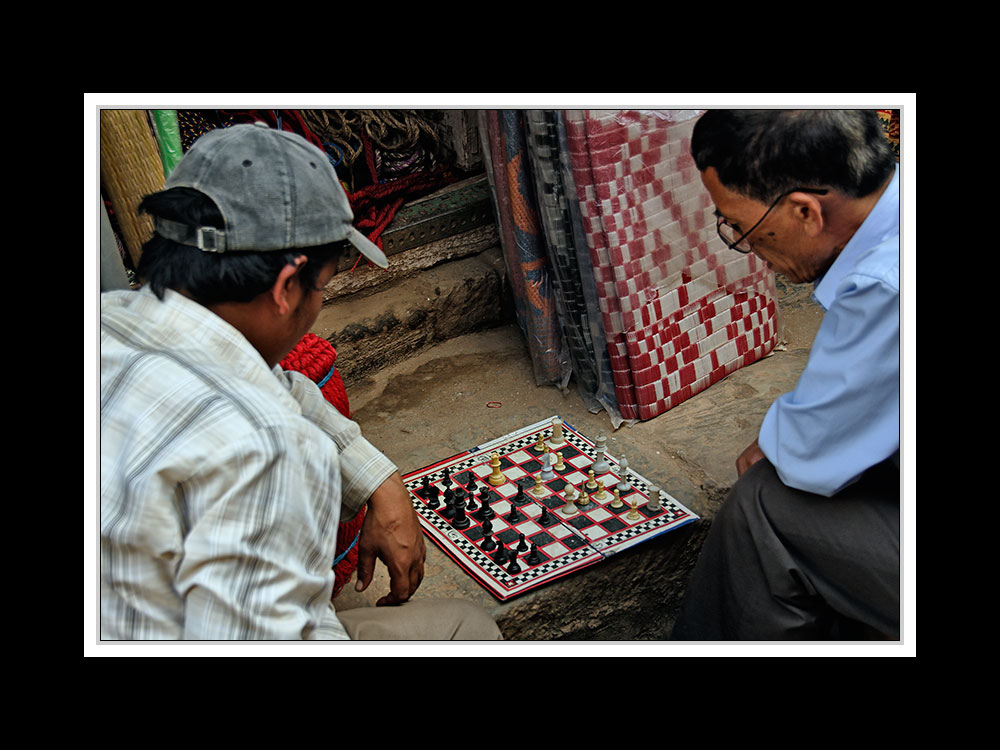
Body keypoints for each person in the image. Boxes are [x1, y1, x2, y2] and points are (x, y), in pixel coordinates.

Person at [100, 121, 501, 641]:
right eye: (325, 287)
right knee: (469, 630)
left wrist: (378, 477)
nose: (319, 306)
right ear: (287, 287)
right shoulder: (267, 450)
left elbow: (274, 383)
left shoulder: (109, 320)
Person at [671, 110, 900, 640]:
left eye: (741, 227)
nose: (749, 248)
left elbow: (804, 458)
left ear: (804, 211)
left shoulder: (885, 285)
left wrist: (783, 444)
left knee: (764, 505)